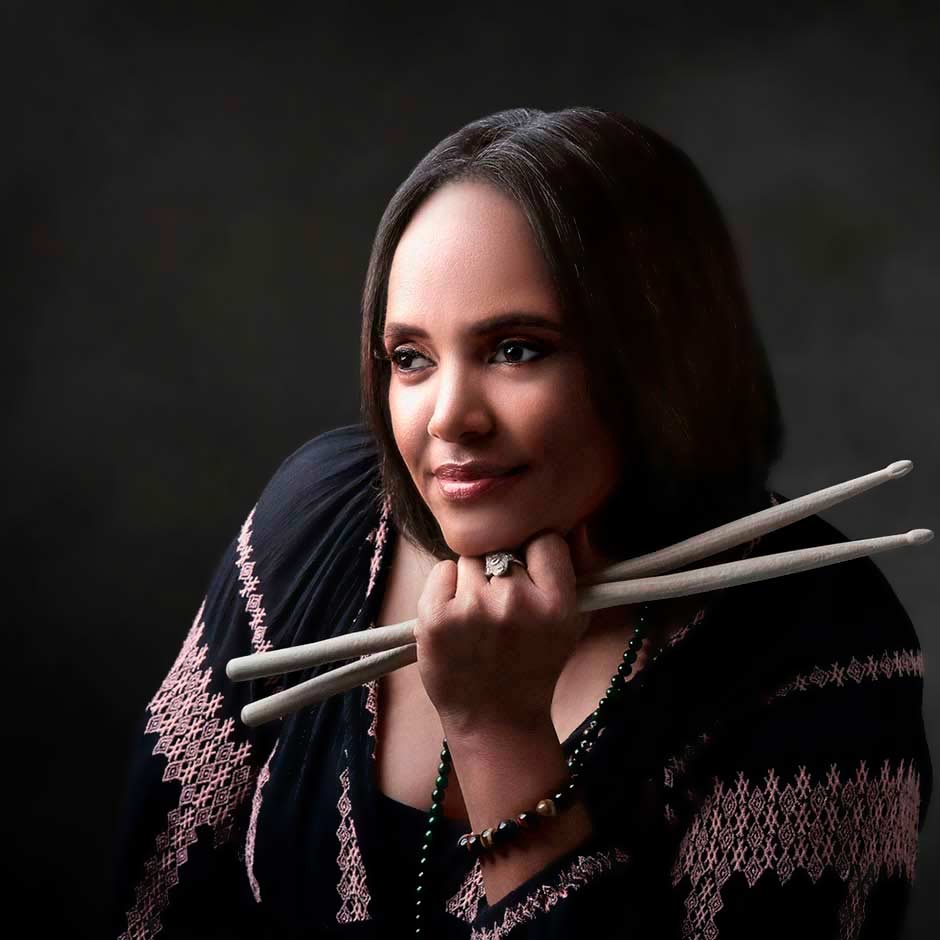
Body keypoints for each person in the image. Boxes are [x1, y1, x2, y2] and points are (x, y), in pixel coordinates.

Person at [111, 108, 932, 939]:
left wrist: (497, 731)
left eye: (516, 349)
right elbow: (152, 904)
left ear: (659, 356)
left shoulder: (825, 644)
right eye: (411, 358)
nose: (448, 418)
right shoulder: (321, 516)